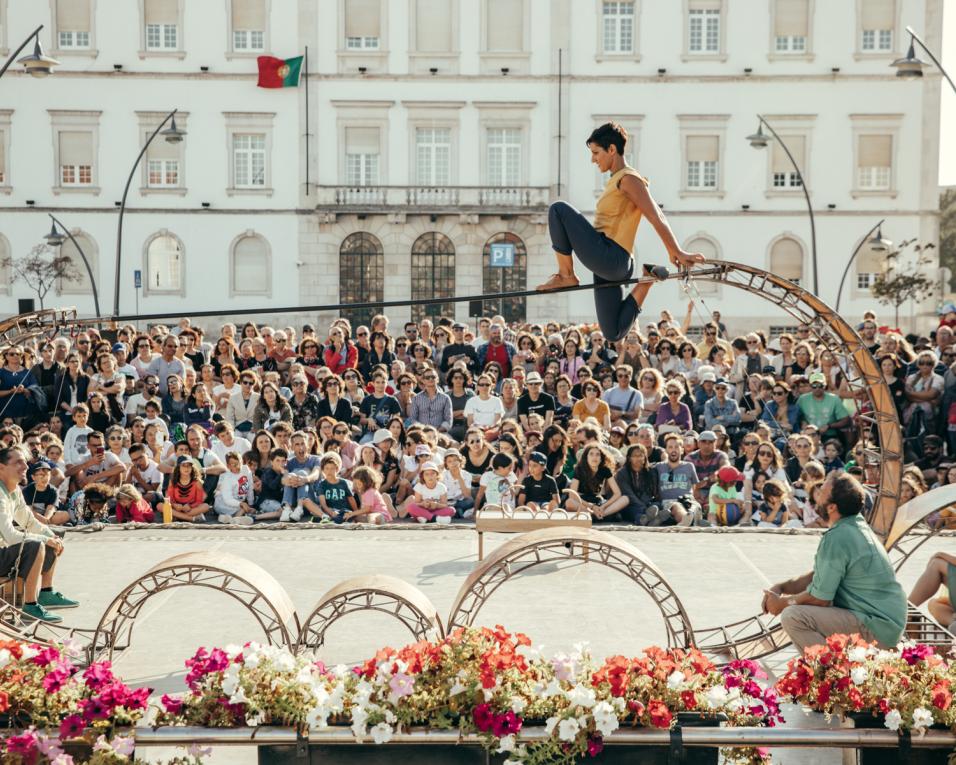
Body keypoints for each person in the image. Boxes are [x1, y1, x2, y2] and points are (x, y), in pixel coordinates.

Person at [536, 122, 704, 341]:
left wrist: (677, 251)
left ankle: (566, 275)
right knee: (613, 332)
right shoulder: (617, 180)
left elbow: (655, 215)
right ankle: (646, 280)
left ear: (612, 149)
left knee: (558, 209)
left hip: (611, 256)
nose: (593, 159)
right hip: (610, 263)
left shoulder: (629, 179)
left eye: (596, 153)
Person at [762, 472, 907, 652]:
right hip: (885, 623)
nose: (816, 492)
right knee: (799, 610)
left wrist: (783, 604)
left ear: (831, 507)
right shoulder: (854, 525)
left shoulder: (838, 537)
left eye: (822, 490)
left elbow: (820, 598)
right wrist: (782, 587)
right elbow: (819, 576)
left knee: (794, 616)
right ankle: (835, 669)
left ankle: (831, 675)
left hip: (877, 627)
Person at [0, 446, 78, 623]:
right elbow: (11, 536)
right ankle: (30, 605)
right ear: (1, 467)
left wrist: (52, 536)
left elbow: (29, 522)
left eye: (24, 461)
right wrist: (46, 539)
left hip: (4, 551)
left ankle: (46, 592)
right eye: (18, 462)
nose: (26, 466)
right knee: (37, 544)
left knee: (53, 535)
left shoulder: (14, 490)